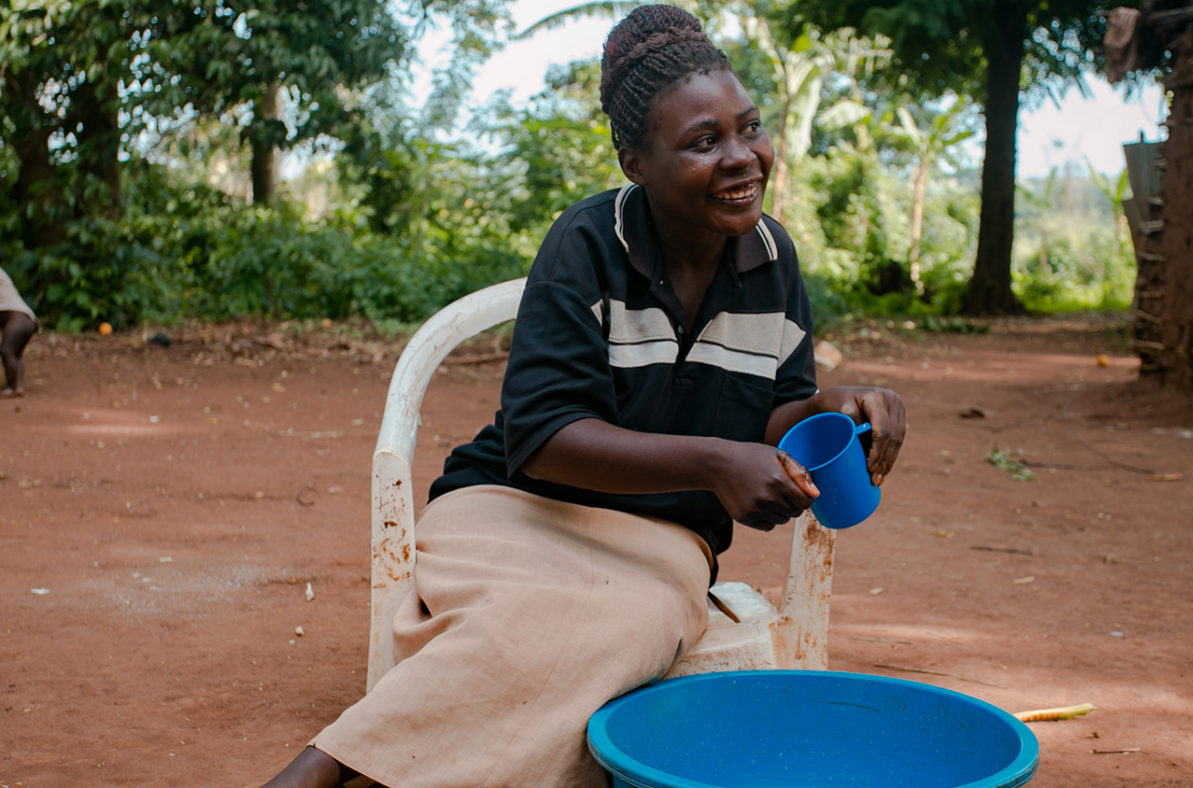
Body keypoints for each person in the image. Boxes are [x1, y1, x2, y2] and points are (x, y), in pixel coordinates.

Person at [257, 6, 905, 787]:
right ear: (634, 161)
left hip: (660, 543)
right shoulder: (588, 243)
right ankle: (317, 772)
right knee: (536, 625)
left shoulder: (772, 260)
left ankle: (343, 766)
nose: (743, 158)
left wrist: (832, 409)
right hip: (510, 505)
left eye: (749, 128)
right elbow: (541, 436)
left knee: (623, 623)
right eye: (704, 142)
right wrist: (713, 464)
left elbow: (770, 414)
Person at [0, 264, 38, 398]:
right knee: (16, 355)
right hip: (28, 319)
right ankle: (18, 386)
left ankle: (12, 387)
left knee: (6, 351)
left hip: (18, 320)